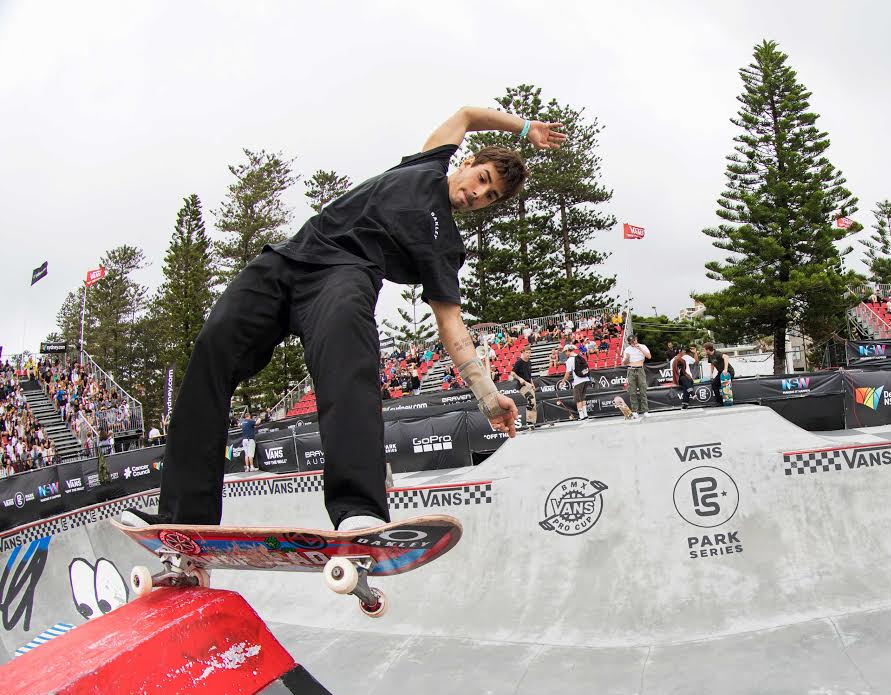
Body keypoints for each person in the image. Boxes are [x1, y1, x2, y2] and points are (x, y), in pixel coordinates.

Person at [122, 106, 565, 532]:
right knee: (212, 349)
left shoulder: (444, 246)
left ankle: (360, 509)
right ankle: (184, 515)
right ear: (467, 163)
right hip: (286, 261)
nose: (478, 195)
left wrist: (488, 397)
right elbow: (467, 115)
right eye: (482, 180)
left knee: (349, 359)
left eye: (489, 197)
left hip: (343, 276)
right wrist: (525, 127)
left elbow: (452, 327)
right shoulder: (427, 164)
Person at [621, 334, 651, 420]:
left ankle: (645, 411)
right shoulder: (627, 349)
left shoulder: (643, 346)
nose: (633, 343)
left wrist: (640, 348)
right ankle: (635, 411)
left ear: (636, 339)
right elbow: (625, 363)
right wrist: (627, 358)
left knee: (643, 390)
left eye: (634, 340)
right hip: (631, 370)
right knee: (632, 391)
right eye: (631, 342)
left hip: (640, 369)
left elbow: (649, 356)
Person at [562, 344, 591, 420]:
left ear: (568, 351)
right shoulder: (579, 356)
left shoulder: (569, 360)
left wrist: (563, 381)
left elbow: (567, 373)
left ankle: (581, 416)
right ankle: (585, 415)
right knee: (583, 398)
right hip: (586, 379)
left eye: (565, 352)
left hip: (578, 381)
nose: (565, 354)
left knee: (578, 399)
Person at [511, 345, 538, 428]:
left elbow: (529, 376)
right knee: (530, 399)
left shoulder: (529, 362)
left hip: (529, 385)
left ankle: (532, 421)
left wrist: (532, 384)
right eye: (527, 352)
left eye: (529, 353)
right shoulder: (519, 362)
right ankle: (529, 422)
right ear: (523, 352)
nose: (528, 354)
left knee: (533, 403)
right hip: (522, 386)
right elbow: (512, 373)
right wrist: (520, 379)